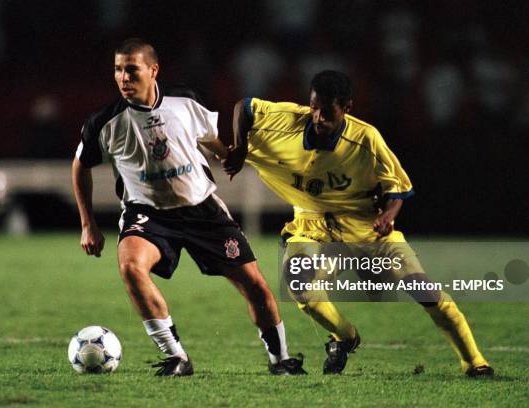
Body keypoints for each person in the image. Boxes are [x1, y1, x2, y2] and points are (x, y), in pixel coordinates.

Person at [223, 70, 494, 377]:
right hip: (310, 225)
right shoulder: (288, 120)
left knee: (424, 291)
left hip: (364, 227)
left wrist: (387, 217)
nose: (318, 117)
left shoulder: (366, 139)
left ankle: (475, 362)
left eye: (327, 111)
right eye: (314, 107)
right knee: (302, 290)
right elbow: (243, 107)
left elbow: (398, 189)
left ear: (346, 107)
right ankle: (345, 337)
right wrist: (241, 146)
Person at [72, 38, 305, 377]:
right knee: (131, 267)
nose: (123, 77)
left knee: (255, 285)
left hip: (202, 209)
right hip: (147, 214)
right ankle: (176, 356)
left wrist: (226, 153)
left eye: (131, 70)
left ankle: (280, 359)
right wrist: (87, 223)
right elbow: (80, 166)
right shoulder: (104, 122)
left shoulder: (184, 101)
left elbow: (205, 136)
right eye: (118, 70)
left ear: (153, 70)